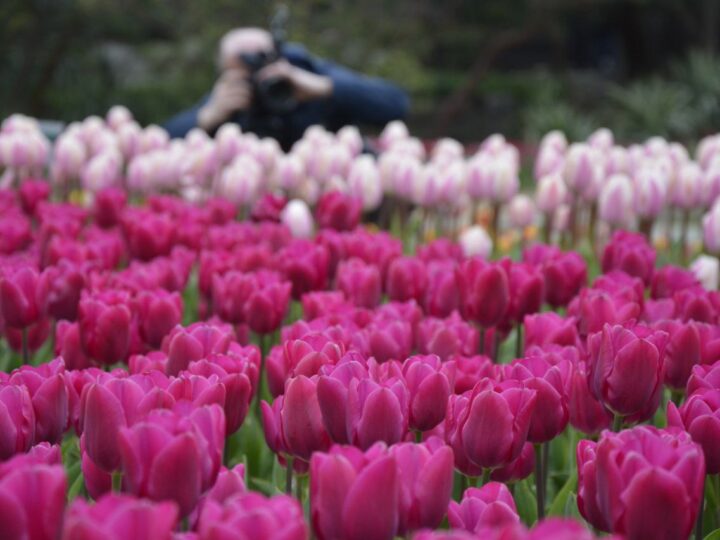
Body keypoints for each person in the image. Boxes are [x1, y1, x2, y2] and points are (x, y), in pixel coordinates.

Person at [163, 28, 410, 148]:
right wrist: (205, 118)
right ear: (225, 72)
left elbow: (397, 104)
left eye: (264, 66)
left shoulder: (308, 75)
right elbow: (162, 139)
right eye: (245, 73)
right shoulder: (230, 97)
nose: (258, 81)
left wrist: (326, 87)